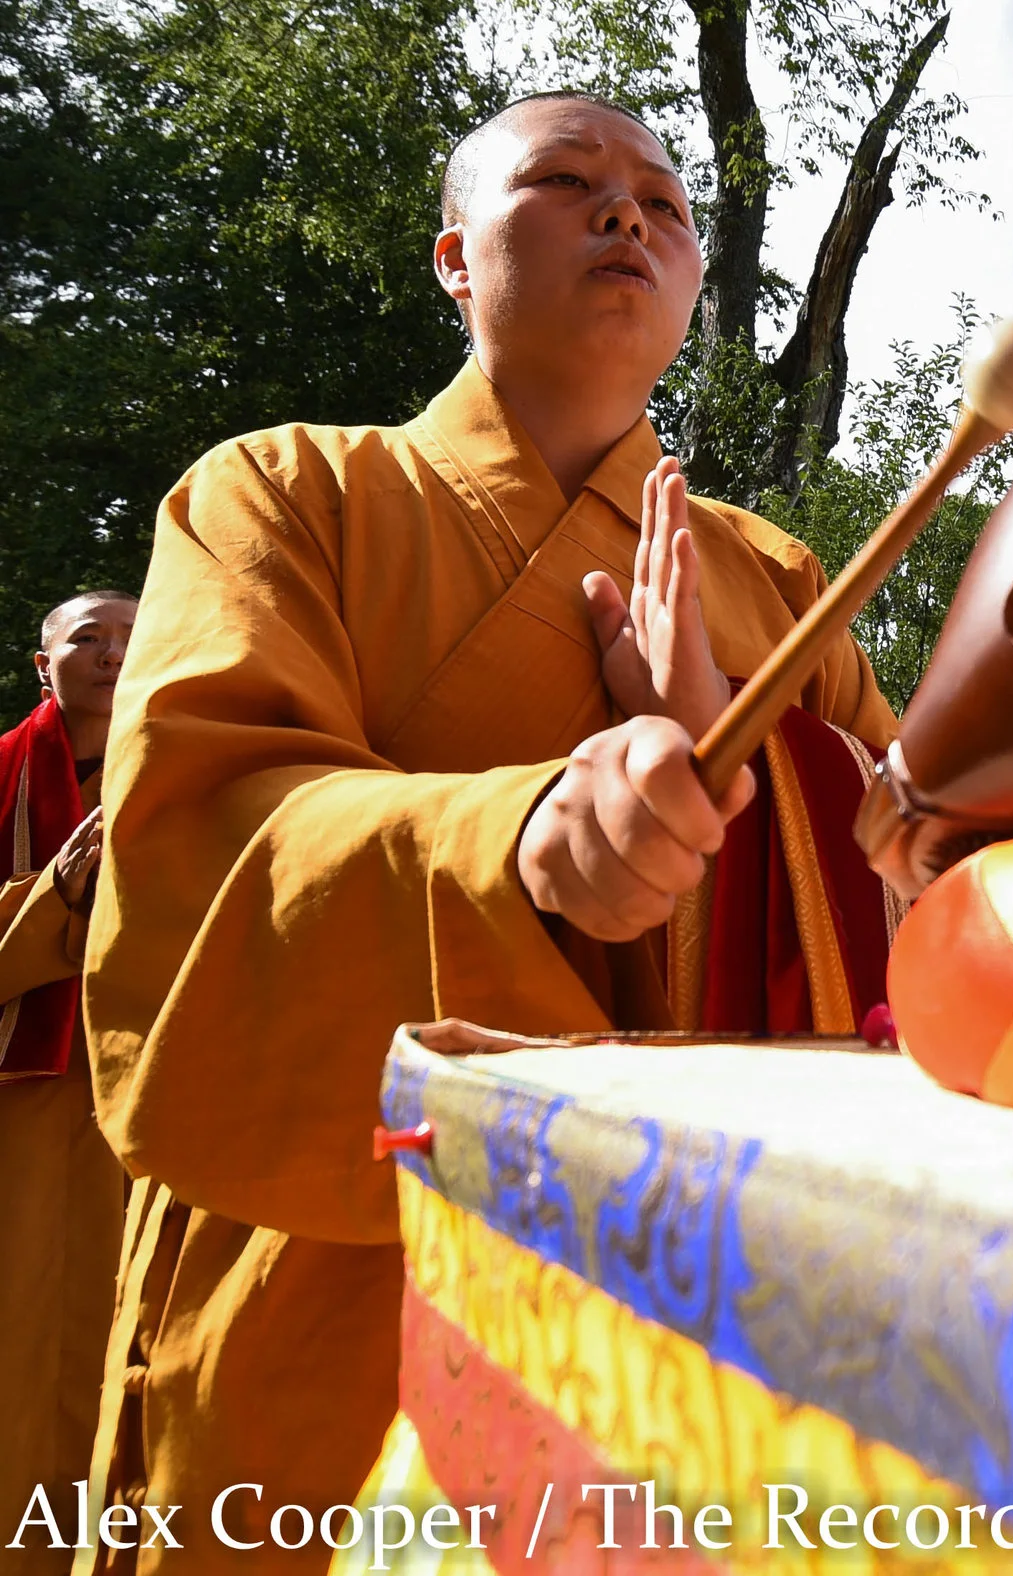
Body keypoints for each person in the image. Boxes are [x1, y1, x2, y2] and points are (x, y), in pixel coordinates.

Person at [78, 92, 898, 1568]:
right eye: (569, 180)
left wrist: (757, 755)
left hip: (723, 1278)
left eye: (666, 200)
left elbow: (919, 861)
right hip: (343, 1255)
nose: (629, 213)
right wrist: (520, 841)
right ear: (457, 260)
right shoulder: (282, 494)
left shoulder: (774, 576)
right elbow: (208, 839)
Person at [0, 592, 133, 1576]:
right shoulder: (3, 770)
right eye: (88, 637)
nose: (112, 652)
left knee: (119, 1335)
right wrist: (55, 902)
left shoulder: (191, 777)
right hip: (23, 1099)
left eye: (134, 635)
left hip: (147, 1094)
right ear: (42, 663)